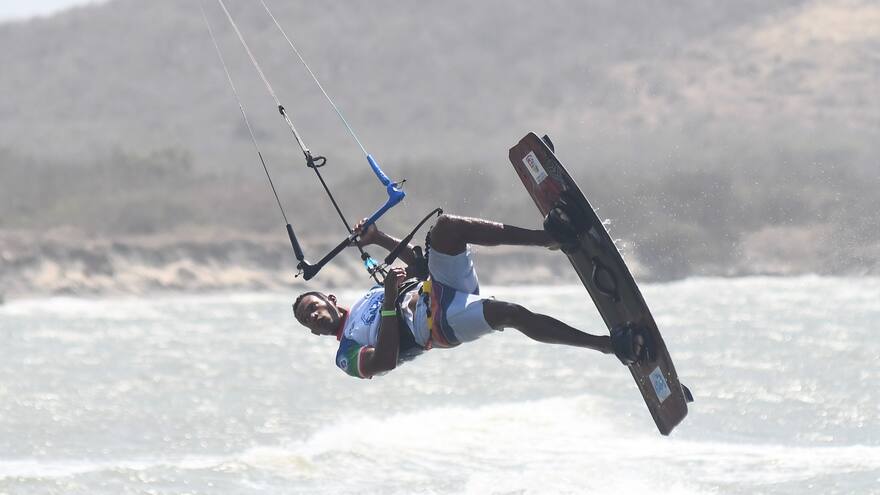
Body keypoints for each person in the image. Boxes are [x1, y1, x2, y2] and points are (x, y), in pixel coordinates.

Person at [292, 214, 643, 379]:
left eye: (313, 307)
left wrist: (379, 237)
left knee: (446, 228)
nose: (314, 317)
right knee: (509, 313)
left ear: (330, 299)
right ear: (312, 331)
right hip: (438, 326)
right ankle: (608, 345)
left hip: (437, 286)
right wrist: (388, 300)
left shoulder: (369, 294)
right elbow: (384, 362)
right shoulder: (345, 353)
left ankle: (552, 239)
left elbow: (417, 264)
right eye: (308, 320)